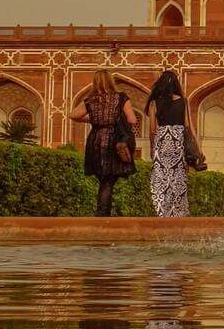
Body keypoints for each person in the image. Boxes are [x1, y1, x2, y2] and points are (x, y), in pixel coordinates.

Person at [69, 68, 138, 216]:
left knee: (104, 180)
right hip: (114, 140)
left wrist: (93, 119)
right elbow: (132, 120)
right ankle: (102, 216)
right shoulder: (120, 98)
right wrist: (116, 120)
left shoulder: (90, 100)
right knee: (108, 181)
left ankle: (103, 213)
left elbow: (73, 115)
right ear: (110, 81)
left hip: (95, 140)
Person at [145, 70, 191, 218]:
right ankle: (178, 213)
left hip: (162, 138)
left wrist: (152, 148)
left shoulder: (154, 103)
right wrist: (195, 148)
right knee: (178, 177)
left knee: (160, 177)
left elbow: (152, 130)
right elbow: (188, 126)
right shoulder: (184, 101)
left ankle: (162, 212)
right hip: (178, 140)